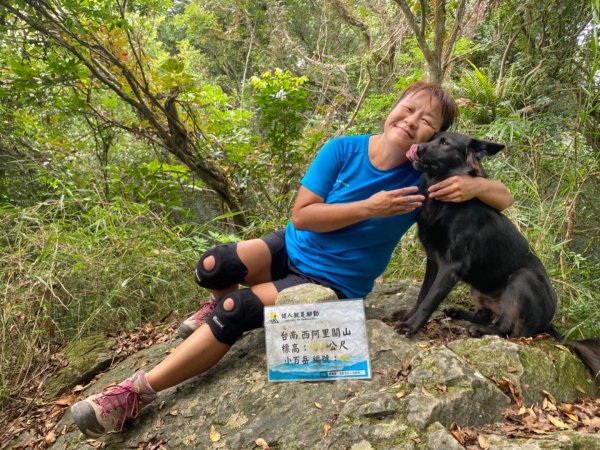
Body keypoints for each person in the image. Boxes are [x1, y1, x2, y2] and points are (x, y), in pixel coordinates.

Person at [70, 81, 513, 437]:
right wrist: (370, 207)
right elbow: (303, 216)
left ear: (434, 136)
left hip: (332, 285)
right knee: (213, 265)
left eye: (427, 121)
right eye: (408, 108)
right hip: (293, 247)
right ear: (393, 106)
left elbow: (502, 196)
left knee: (235, 309)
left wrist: (476, 186)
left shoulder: (425, 176)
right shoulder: (344, 149)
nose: (411, 121)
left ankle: (134, 394)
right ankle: (211, 317)